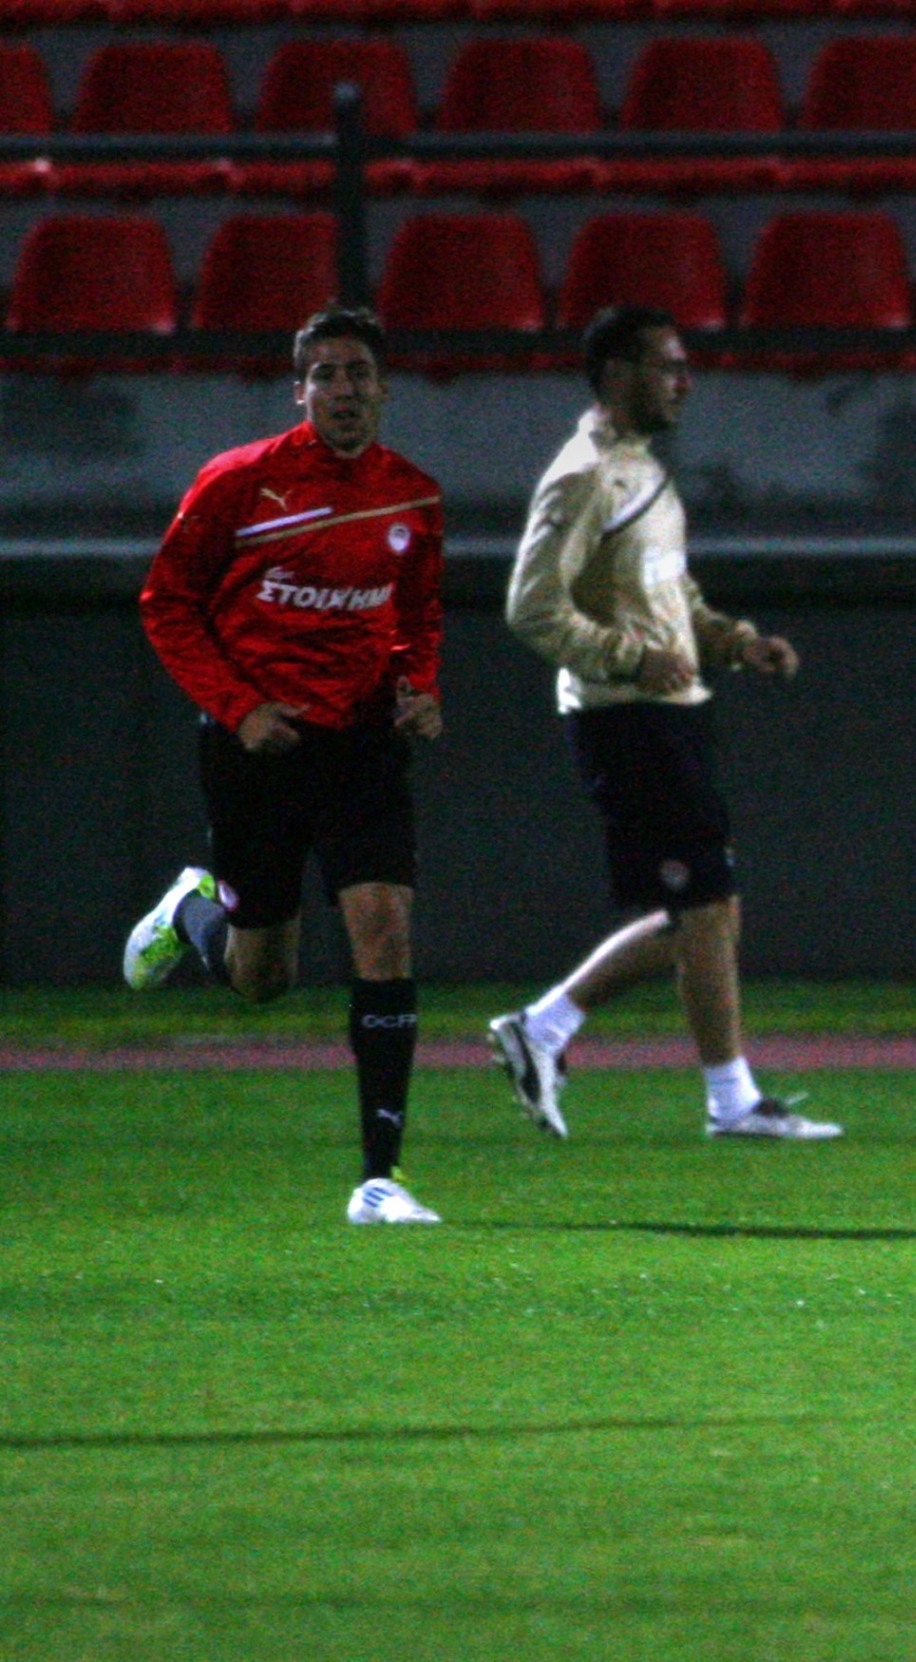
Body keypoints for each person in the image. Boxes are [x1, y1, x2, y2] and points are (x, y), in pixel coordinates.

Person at [123, 307, 447, 1225]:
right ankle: (191, 913)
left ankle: (379, 1177)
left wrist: (418, 687)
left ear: (383, 388)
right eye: (327, 374)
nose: (345, 389)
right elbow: (166, 604)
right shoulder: (240, 482)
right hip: (259, 747)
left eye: (360, 373)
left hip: (362, 747)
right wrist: (241, 709)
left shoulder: (413, 496)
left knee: (382, 930)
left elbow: (417, 615)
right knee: (263, 977)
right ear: (299, 391)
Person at [488, 305, 836, 1143]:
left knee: (705, 910)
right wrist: (628, 659)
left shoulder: (637, 468)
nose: (683, 381)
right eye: (665, 365)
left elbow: (668, 593)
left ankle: (546, 1029)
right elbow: (529, 608)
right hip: (624, 717)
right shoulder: (582, 475)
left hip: (668, 712)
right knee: (706, 906)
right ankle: (726, 1099)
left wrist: (733, 642)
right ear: (615, 374)